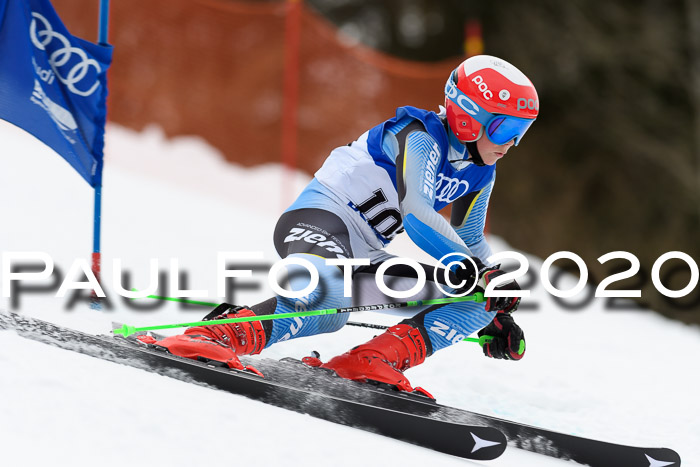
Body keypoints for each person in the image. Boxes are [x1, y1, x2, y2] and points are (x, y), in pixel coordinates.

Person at [141, 55, 538, 393]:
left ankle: (368, 361)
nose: (512, 143)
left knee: (475, 301)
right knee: (327, 303)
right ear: (469, 116)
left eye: (521, 133)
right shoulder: (418, 136)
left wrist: (496, 304)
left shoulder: (480, 171)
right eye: (505, 129)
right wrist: (476, 272)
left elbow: (469, 240)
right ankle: (209, 336)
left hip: (364, 251)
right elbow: (417, 215)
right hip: (319, 222)